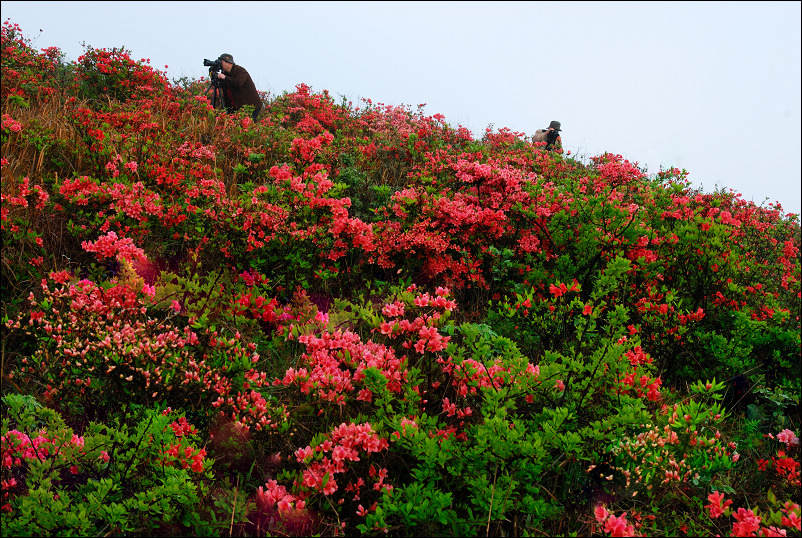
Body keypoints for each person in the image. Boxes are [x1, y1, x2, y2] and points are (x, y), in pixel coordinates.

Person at [213, 53, 262, 121]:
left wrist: (225, 78)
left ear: (229, 63)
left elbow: (238, 83)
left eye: (221, 62)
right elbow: (225, 91)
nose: (220, 64)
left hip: (251, 105)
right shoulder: (225, 74)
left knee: (248, 126)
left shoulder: (240, 71)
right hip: (237, 106)